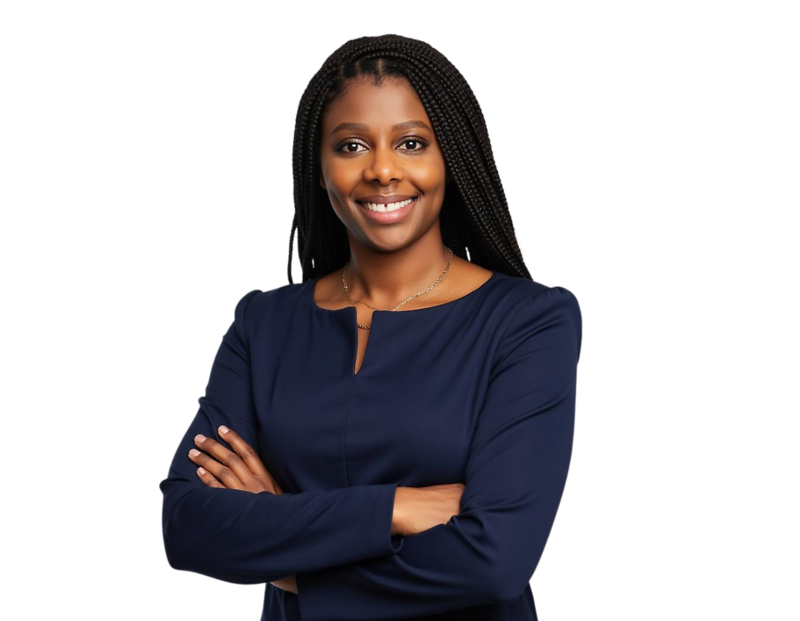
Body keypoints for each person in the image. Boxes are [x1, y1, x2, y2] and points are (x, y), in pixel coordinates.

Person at [158, 33, 584, 621]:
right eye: (352, 145)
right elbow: (187, 524)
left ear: (449, 158)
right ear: (319, 164)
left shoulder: (529, 320)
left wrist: (283, 553)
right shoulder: (265, 321)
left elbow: (496, 560)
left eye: (411, 143)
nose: (382, 170)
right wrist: (395, 509)